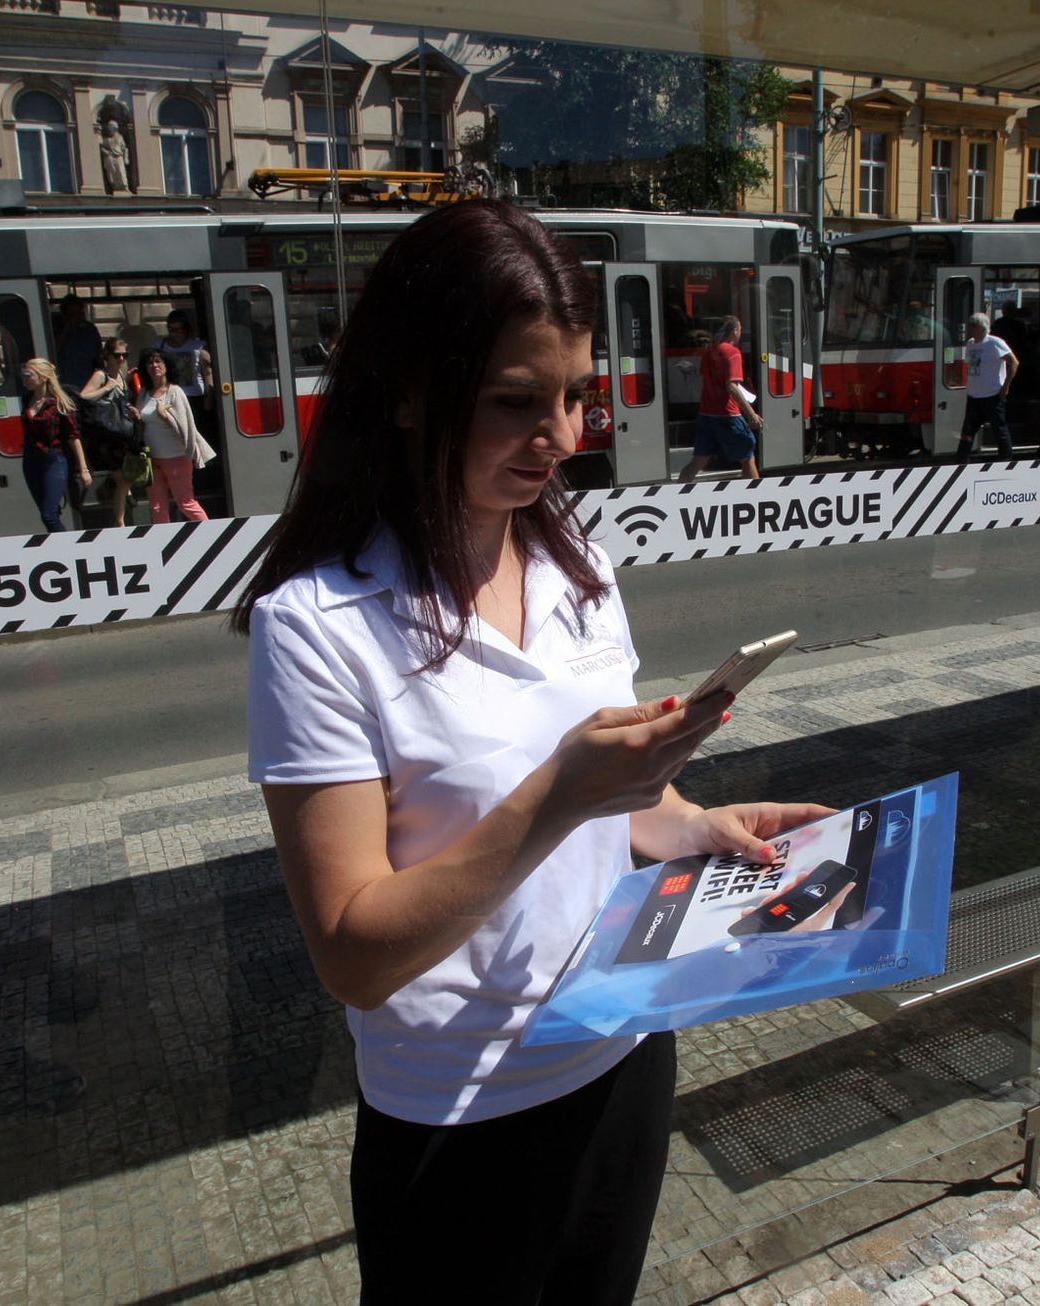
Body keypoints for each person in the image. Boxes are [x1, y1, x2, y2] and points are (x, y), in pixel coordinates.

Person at [234, 199, 827, 1304]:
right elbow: (353, 952)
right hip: (457, 1117)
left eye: (573, 397)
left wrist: (692, 821)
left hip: (619, 1051)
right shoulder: (316, 626)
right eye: (517, 403)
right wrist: (556, 792)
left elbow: (618, 803)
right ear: (410, 393)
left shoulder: (575, 562)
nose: (560, 437)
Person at [679, 315, 764, 485]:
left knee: (698, 461)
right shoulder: (733, 353)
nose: (740, 333)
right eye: (739, 329)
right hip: (728, 415)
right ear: (734, 331)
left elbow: (706, 378)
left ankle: (676, 493)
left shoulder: (710, 350)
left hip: (706, 414)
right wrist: (751, 414)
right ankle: (757, 497)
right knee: (747, 456)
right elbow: (731, 386)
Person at [134, 347, 214, 523]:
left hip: (176, 457)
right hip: (151, 458)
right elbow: (143, 421)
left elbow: (186, 426)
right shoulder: (144, 393)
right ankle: (163, 545)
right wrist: (137, 416)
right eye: (150, 363)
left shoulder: (175, 392)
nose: (154, 366)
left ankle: (211, 535)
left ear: (166, 366)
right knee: (157, 507)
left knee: (186, 503)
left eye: (158, 362)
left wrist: (165, 416)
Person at [19, 358, 90, 533]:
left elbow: (74, 437)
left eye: (28, 375)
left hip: (53, 460)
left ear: (43, 377)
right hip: (30, 461)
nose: (24, 378)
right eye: (23, 375)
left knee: (48, 514)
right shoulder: (26, 399)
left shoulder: (59, 404)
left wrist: (83, 469)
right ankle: (58, 546)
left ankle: (69, 547)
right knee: (49, 512)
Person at [80, 336, 140, 528]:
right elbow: (84, 397)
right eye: (117, 355)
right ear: (108, 356)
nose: (121, 359)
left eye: (125, 355)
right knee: (123, 477)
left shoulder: (123, 376)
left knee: (127, 475)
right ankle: (120, 521)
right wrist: (106, 388)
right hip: (106, 437)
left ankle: (113, 493)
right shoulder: (101, 375)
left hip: (122, 434)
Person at [956, 312, 1016, 462]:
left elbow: (1014, 362)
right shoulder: (970, 343)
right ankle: (961, 460)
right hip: (974, 395)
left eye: (973, 326)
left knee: (999, 429)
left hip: (992, 394)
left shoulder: (995, 343)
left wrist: (1006, 386)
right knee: (968, 430)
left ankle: (1005, 459)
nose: (970, 329)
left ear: (981, 327)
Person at [54, 294, 104, 391]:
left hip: (87, 383)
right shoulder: (56, 330)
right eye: (72, 314)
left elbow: (98, 357)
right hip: (64, 383)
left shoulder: (90, 330)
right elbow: (52, 351)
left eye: (78, 313)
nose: (76, 317)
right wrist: (66, 328)